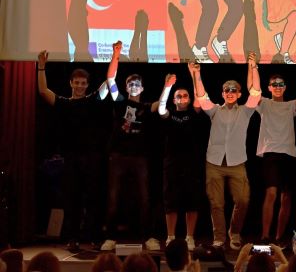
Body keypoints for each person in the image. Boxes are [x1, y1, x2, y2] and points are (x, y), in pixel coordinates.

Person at [36, 51, 109, 252]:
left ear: (87, 85)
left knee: (93, 199)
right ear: (71, 83)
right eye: (76, 82)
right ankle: (73, 238)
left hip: (91, 157)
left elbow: (109, 82)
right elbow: (43, 91)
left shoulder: (93, 100)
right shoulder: (63, 103)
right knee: (72, 199)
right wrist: (41, 66)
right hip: (71, 157)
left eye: (83, 83)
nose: (79, 86)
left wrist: (115, 58)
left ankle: (95, 237)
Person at [195, 52, 261, 249]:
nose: (230, 92)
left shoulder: (246, 111)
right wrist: (196, 74)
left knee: (243, 200)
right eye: (227, 90)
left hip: (237, 162)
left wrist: (253, 66)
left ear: (239, 94)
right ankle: (219, 237)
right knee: (216, 203)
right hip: (214, 162)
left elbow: (256, 92)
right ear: (223, 93)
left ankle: (235, 233)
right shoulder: (214, 110)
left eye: (234, 90)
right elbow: (202, 96)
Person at [100, 41, 160, 251]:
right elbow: (110, 79)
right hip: (118, 156)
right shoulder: (120, 102)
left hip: (140, 157)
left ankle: (149, 236)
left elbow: (160, 106)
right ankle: (110, 237)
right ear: (126, 87)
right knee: (113, 197)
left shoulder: (145, 106)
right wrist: (116, 55)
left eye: (137, 83)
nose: (134, 86)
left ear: (142, 88)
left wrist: (168, 87)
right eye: (130, 83)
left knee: (144, 197)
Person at [157, 64, 208, 250]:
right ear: (174, 99)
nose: (182, 98)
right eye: (178, 96)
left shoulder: (193, 112)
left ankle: (189, 237)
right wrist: (168, 86)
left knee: (192, 201)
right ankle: (170, 236)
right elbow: (161, 108)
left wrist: (194, 74)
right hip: (172, 163)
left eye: (185, 96)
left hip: (192, 164)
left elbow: (199, 97)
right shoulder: (169, 114)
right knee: (171, 201)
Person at [253, 68, 296, 245]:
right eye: (274, 84)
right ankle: (265, 235)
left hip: (289, 153)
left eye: (281, 84)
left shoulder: (291, 105)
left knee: (286, 196)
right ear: (269, 87)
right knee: (271, 192)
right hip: (270, 153)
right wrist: (253, 67)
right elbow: (253, 90)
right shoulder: (264, 103)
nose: (278, 87)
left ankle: (279, 237)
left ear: (285, 87)